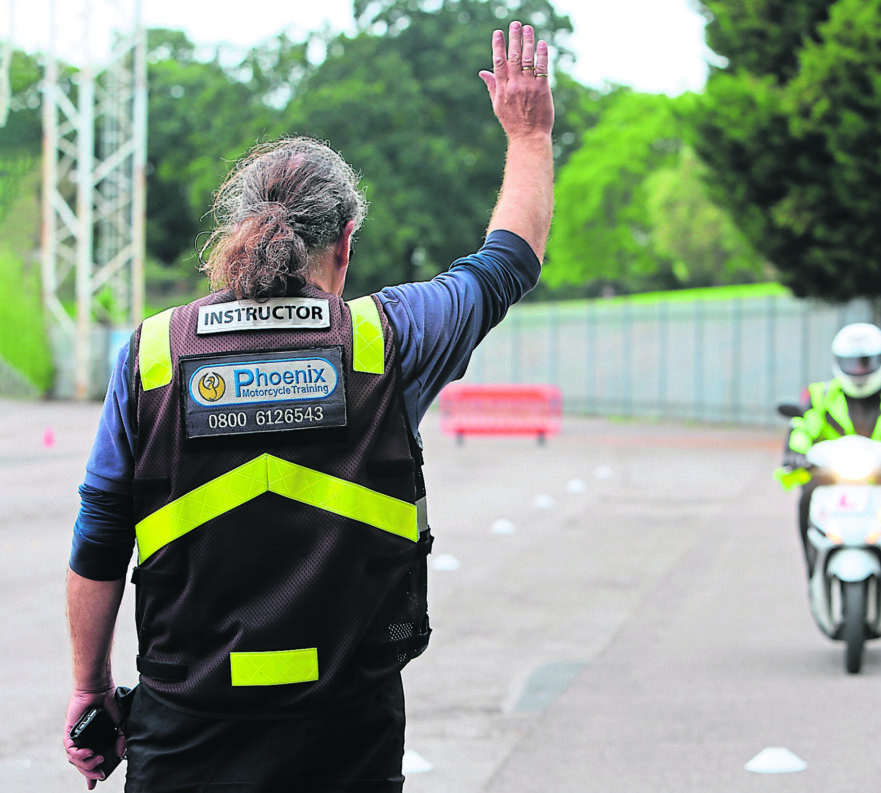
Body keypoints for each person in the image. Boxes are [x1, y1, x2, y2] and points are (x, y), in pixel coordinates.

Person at [63, 21, 554, 792]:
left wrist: (90, 690)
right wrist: (528, 135)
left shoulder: (153, 353)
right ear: (346, 241)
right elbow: (507, 261)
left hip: (185, 728)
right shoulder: (387, 339)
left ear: (235, 233)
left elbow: (99, 536)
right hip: (345, 731)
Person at [781, 322, 881, 583]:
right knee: (807, 498)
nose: (859, 370)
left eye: (866, 363)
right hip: (830, 476)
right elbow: (803, 427)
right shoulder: (821, 395)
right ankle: (813, 569)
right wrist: (795, 452)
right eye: (852, 363)